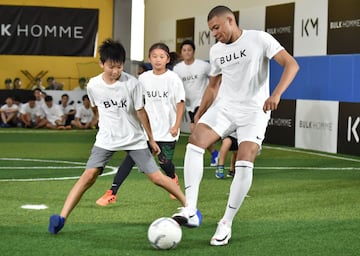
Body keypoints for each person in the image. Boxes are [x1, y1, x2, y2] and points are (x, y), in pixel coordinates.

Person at [172, 5, 299, 246]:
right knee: (196, 141)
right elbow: (213, 85)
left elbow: (291, 64)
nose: (214, 33)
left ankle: (226, 222)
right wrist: (200, 113)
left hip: (254, 110)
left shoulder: (259, 38)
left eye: (217, 27)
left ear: (230, 20)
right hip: (226, 107)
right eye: (211, 30)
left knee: (244, 158)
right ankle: (190, 207)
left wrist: (276, 94)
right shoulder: (217, 50)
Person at [48, 39, 186, 235]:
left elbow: (141, 112)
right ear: (101, 64)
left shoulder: (132, 83)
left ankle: (189, 208)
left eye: (119, 66)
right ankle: (61, 218)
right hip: (106, 139)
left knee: (156, 177)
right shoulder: (93, 85)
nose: (115, 71)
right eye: (111, 66)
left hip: (134, 138)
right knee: (88, 176)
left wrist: (151, 139)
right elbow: (98, 108)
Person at [96, 42, 185, 205]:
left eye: (162, 57)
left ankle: (172, 179)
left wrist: (176, 125)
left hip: (167, 130)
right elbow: (136, 101)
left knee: (165, 163)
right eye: (154, 56)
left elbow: (180, 103)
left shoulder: (173, 79)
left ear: (167, 59)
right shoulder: (143, 78)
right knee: (130, 159)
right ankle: (112, 192)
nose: (158, 60)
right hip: (146, 130)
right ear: (149, 59)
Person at [173, 39, 219, 167]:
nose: (187, 52)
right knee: (197, 131)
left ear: (193, 51)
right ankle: (215, 153)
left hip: (202, 102)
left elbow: (215, 80)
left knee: (197, 129)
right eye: (184, 50)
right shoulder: (178, 69)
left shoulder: (203, 65)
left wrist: (214, 96)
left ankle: (208, 154)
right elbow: (176, 86)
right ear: (181, 53)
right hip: (189, 105)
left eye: (189, 50)